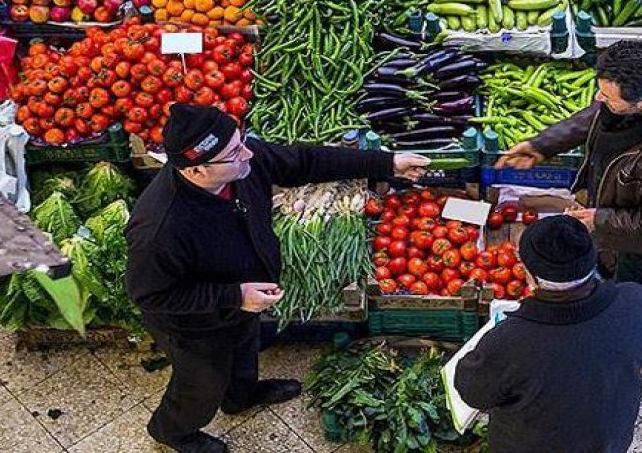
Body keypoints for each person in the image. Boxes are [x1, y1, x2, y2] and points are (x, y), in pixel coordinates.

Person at [126, 104, 430, 453]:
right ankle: (173, 431)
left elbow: (303, 161)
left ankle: (242, 396)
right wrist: (233, 297)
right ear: (197, 170)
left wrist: (387, 163)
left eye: (241, 142)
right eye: (235, 153)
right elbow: (150, 296)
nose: (249, 153)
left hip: (243, 300)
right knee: (201, 383)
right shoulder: (159, 229)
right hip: (193, 326)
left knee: (244, 351)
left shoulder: (240, 165)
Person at [495, 40, 642, 289]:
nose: (597, 97)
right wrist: (544, 144)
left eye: (608, 96)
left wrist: (600, 220)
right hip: (617, 213)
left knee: (634, 295)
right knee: (608, 268)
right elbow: (601, 113)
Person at [453, 215, 642, 453]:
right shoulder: (641, 303)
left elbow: (472, 392)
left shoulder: (508, 342)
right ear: (592, 260)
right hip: (607, 443)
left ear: (530, 275)